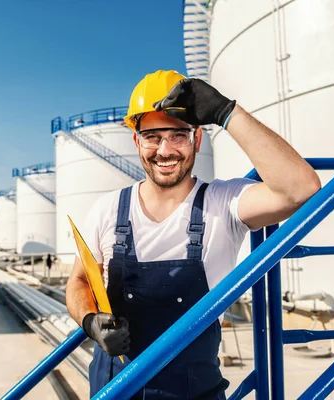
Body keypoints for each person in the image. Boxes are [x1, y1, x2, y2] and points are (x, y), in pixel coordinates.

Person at [66, 70, 321, 399]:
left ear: (197, 139)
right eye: (152, 136)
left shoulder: (223, 202)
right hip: (114, 387)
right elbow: (79, 281)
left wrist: (226, 113)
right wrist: (89, 321)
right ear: (136, 141)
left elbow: (300, 190)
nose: (165, 150)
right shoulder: (108, 209)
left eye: (178, 135)